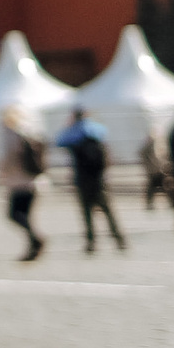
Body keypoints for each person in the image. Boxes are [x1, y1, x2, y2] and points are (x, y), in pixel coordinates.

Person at [55, 107, 125, 253]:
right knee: (107, 210)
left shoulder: (73, 132)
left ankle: (91, 242)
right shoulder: (95, 128)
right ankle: (119, 239)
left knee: (87, 212)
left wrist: (68, 125)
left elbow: (59, 141)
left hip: (83, 178)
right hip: (98, 178)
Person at [0, 107, 46, 262]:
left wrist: (4, 173)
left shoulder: (12, 135)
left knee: (14, 214)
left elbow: (10, 159)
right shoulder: (29, 131)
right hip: (34, 182)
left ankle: (36, 241)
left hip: (20, 182)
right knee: (25, 217)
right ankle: (33, 247)